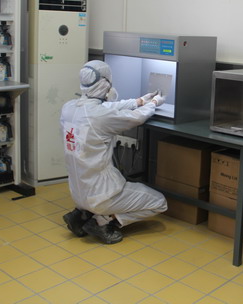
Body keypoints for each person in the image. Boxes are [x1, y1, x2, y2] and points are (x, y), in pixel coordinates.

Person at [60, 60, 168, 244]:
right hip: (102, 194)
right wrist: (153, 104)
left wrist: (139, 101)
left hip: (77, 192)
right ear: (105, 84)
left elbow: (104, 109)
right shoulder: (100, 116)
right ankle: (102, 221)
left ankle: (81, 214)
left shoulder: (69, 108)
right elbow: (135, 117)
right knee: (160, 202)